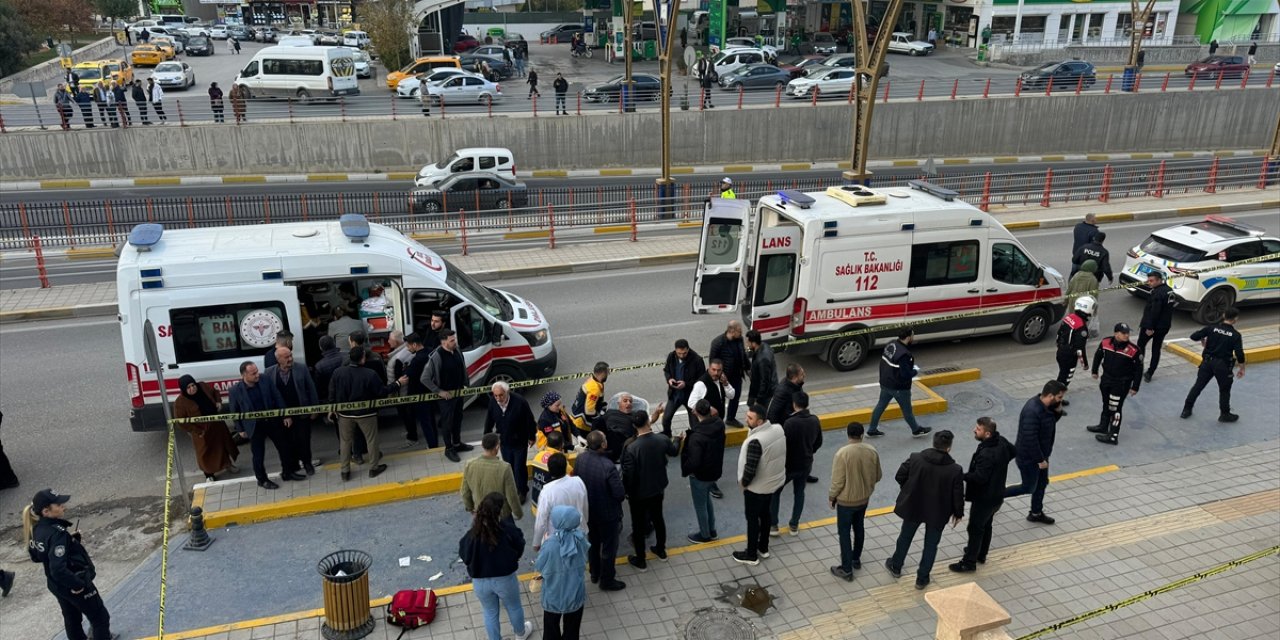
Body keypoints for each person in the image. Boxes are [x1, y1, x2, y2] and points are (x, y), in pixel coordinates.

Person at [29, 490, 119, 640]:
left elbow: (36, 556)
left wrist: (70, 543)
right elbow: (58, 568)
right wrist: (78, 585)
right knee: (100, 618)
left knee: (72, 619)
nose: (63, 506)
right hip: (73, 584)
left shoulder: (36, 529)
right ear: (46, 511)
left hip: (56, 585)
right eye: (58, 504)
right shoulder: (58, 534)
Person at [885, 430, 964, 590]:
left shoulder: (916, 458)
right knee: (931, 544)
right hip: (938, 511)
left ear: (934, 443)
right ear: (949, 448)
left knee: (905, 536)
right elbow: (957, 494)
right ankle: (922, 578)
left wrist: (909, 490)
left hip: (914, 505)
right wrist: (958, 513)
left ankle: (896, 565)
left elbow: (900, 475)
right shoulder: (955, 469)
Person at [459, 492, 534, 640]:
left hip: (480, 582)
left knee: (490, 612)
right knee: (514, 606)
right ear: (499, 511)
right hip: (505, 579)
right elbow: (519, 544)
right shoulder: (507, 530)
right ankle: (520, 633)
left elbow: (464, 554)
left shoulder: (472, 534)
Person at [949, 417, 1016, 573]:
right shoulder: (1002, 441)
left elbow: (980, 477)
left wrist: (962, 476)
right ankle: (981, 554)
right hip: (997, 495)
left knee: (975, 528)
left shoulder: (987, 454)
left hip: (984, 498)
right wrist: (999, 469)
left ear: (987, 434)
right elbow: (1014, 451)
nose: (974, 430)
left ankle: (969, 562)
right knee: (986, 525)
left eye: (978, 429)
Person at [330, 347, 407, 481]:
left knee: (345, 442)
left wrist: (332, 408)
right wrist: (398, 383)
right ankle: (373, 468)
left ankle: (345, 471)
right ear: (363, 358)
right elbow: (382, 391)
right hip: (366, 414)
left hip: (345, 414)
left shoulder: (338, 372)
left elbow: (332, 391)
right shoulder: (370, 374)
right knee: (371, 440)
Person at [620, 407, 677, 571]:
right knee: (658, 518)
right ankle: (661, 549)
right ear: (647, 422)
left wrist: (627, 492)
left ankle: (641, 559)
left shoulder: (631, 447)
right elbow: (673, 451)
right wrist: (679, 439)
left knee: (638, 526)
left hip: (638, 494)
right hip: (658, 488)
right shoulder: (662, 439)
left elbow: (628, 474)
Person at [228, 361, 298, 490]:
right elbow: (235, 411)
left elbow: (277, 396)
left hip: (272, 422)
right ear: (244, 375)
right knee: (258, 455)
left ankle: (288, 472)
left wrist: (286, 415)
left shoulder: (265, 379)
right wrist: (240, 429)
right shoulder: (235, 390)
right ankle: (262, 479)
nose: (257, 375)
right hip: (254, 426)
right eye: (253, 373)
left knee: (284, 447)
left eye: (257, 371)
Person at [1005, 380, 1066, 525]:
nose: (1061, 400)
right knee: (1028, 487)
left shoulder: (1046, 407)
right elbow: (1030, 439)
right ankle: (994, 495)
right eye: (1059, 397)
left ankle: (1036, 513)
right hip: (1029, 458)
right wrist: (1040, 460)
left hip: (1041, 455)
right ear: (1050, 396)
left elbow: (1048, 424)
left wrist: (1058, 412)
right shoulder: (1032, 411)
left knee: (1042, 483)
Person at [732, 404, 787, 566]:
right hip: (772, 483)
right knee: (765, 514)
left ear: (760, 421)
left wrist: (743, 484)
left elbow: (750, 469)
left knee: (752, 519)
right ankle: (763, 548)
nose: (746, 420)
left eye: (750, 418)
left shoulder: (756, 441)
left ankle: (751, 554)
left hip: (756, 488)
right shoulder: (777, 429)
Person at [573, 431, 627, 591]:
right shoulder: (608, 466)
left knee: (593, 543)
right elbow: (619, 494)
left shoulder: (581, 459)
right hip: (608, 514)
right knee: (609, 548)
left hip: (589, 511)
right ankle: (607, 580)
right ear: (603, 444)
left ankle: (594, 572)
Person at [828, 422, 881, 582]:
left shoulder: (842, 454)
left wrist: (832, 496)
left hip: (846, 501)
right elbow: (878, 475)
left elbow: (838, 481)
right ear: (862, 434)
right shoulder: (872, 451)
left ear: (848, 434)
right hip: (864, 498)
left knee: (844, 533)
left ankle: (846, 569)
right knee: (859, 527)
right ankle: (855, 559)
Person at [1182, 307, 1246, 422]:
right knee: (1224, 390)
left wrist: (1203, 339)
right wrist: (1242, 368)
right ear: (1235, 319)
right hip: (1223, 366)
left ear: (1223, 315)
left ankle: (1186, 409)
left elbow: (1193, 336)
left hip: (1207, 362)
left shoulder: (1211, 328)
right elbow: (1239, 354)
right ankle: (1224, 414)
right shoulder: (1236, 335)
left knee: (1198, 386)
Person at [770, 391, 822, 536]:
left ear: (794, 404)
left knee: (775, 492)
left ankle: (773, 525)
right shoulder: (814, 420)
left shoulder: (790, 423)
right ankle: (794, 524)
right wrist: (809, 452)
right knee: (799, 492)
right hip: (805, 463)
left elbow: (783, 446)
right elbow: (818, 442)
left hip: (788, 465)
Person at [535, 505, 589, 640]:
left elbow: (540, 565)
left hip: (553, 596)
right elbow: (584, 560)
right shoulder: (581, 539)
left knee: (550, 629)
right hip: (575, 594)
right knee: (572, 630)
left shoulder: (550, 544)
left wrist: (547, 541)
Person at [264, 347, 320, 475]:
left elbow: (311, 388)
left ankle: (307, 463)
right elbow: (269, 395)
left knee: (304, 440)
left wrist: (315, 408)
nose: (290, 359)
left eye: (290, 356)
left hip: (301, 413)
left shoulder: (301, 368)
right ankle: (294, 466)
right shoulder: (268, 372)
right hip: (282, 416)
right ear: (278, 359)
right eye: (286, 357)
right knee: (288, 442)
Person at [174, 375, 240, 482]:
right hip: (201, 430)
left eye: (193, 385)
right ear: (183, 389)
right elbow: (181, 422)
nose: (192, 389)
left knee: (223, 445)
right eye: (188, 387)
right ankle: (209, 474)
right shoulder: (180, 402)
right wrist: (197, 431)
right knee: (205, 452)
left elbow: (215, 392)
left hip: (217, 424)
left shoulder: (203, 387)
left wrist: (218, 401)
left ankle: (227, 464)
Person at [867, 328, 931, 438]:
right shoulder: (904, 355)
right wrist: (915, 371)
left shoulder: (891, 344)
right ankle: (916, 430)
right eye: (912, 335)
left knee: (880, 406)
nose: (913, 337)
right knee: (907, 410)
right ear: (908, 337)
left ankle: (871, 429)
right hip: (899, 387)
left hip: (885, 382)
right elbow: (905, 374)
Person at [1088, 323, 1143, 445]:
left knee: (1115, 408)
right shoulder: (1106, 342)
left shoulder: (1134, 350)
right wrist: (1094, 370)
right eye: (1124, 333)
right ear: (1116, 333)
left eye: (1128, 333)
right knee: (1106, 403)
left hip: (1121, 383)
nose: (1127, 335)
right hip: (1106, 379)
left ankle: (1113, 435)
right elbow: (1098, 356)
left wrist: (1135, 387)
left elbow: (1139, 370)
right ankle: (1103, 425)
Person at [423, 330, 472, 462]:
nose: (454, 342)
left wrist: (465, 383)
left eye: (454, 339)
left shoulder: (457, 351)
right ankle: (449, 448)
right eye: (451, 340)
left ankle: (457, 443)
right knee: (447, 423)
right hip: (446, 398)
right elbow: (425, 378)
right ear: (443, 342)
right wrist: (439, 391)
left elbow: (462, 367)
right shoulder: (436, 356)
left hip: (458, 393)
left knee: (458, 419)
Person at [682, 399, 726, 544]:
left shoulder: (697, 436)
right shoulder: (719, 425)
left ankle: (705, 534)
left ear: (696, 413)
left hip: (700, 476)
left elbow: (694, 461)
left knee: (700, 505)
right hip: (714, 472)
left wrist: (686, 469)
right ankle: (711, 530)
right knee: (707, 501)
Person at [485, 382, 537, 502]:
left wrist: (531, 436)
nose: (498, 398)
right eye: (495, 395)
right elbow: (489, 420)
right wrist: (486, 437)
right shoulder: (493, 402)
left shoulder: (520, 402)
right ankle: (512, 489)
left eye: (501, 395)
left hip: (520, 441)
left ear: (507, 392)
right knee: (509, 467)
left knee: (519, 467)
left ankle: (522, 491)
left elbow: (529, 419)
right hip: (505, 441)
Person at [461, 433, 523, 520]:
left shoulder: (469, 464)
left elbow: (465, 492)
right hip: (501, 515)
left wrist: (471, 508)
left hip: (481, 512)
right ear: (497, 447)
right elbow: (512, 495)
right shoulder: (505, 467)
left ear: (482, 445)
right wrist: (518, 513)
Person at [534, 454, 589, 547]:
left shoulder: (547, 492)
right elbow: (584, 506)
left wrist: (537, 542)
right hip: (578, 533)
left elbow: (541, 520)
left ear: (549, 470)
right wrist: (584, 522)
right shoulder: (578, 481)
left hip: (557, 539)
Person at [1054, 295, 1095, 404]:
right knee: (1065, 379)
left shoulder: (1069, 317)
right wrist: (1085, 364)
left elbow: (1059, 333)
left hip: (1060, 352)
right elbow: (1080, 349)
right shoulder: (1082, 327)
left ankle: (1056, 398)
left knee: (1061, 375)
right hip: (1069, 357)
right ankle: (1055, 402)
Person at [1137, 271, 1176, 382]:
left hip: (1152, 326)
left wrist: (1150, 327)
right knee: (1156, 349)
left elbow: (1155, 311)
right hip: (1164, 326)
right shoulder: (1169, 291)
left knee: (1140, 346)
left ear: (1159, 280)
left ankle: (1138, 369)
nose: (1149, 283)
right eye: (1148, 280)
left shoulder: (1158, 293)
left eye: (1152, 281)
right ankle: (1150, 372)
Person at [662, 338, 706, 435]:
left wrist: (686, 384)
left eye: (684, 353)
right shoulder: (671, 356)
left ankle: (695, 438)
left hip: (691, 396)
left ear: (688, 349)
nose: (682, 356)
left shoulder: (697, 360)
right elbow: (666, 370)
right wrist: (669, 379)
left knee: (694, 422)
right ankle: (667, 435)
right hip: (675, 395)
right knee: (666, 418)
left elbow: (702, 380)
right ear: (675, 351)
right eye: (679, 353)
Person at [708, 320, 748, 426]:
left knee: (735, 397)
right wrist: (719, 375)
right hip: (722, 377)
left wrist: (748, 368)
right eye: (739, 331)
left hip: (737, 375)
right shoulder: (718, 342)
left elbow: (743, 354)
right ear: (731, 330)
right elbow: (712, 361)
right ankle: (717, 421)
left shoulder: (739, 339)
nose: (741, 333)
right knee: (720, 400)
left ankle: (731, 418)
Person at [384, 331, 416, 447]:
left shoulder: (397, 358)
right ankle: (411, 432)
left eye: (389, 339)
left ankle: (412, 437)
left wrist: (391, 391)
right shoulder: (404, 351)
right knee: (409, 415)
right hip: (406, 391)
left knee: (406, 415)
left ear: (396, 342)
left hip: (402, 393)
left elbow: (398, 378)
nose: (388, 341)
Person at [529, 431, 573, 514]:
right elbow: (572, 481)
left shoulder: (537, 456)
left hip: (536, 504)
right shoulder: (563, 464)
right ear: (562, 445)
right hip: (551, 511)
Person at [569, 362, 609, 440]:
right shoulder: (594, 389)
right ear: (603, 373)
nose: (607, 375)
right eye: (607, 373)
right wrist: (600, 416)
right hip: (583, 423)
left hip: (576, 417)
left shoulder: (592, 380)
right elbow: (589, 411)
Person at [1067, 260, 1101, 338]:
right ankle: (1080, 335)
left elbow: (1069, 289)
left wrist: (1065, 301)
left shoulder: (1076, 275)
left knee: (1072, 319)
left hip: (1072, 301)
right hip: (1083, 304)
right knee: (1082, 321)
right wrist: (1094, 310)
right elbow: (1093, 296)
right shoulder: (1093, 280)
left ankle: (1071, 333)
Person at [745, 330, 777, 409]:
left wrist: (759, 400)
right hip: (757, 389)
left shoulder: (763, 359)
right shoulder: (763, 345)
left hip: (763, 394)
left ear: (754, 343)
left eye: (748, 342)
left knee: (758, 414)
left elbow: (765, 381)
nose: (746, 344)